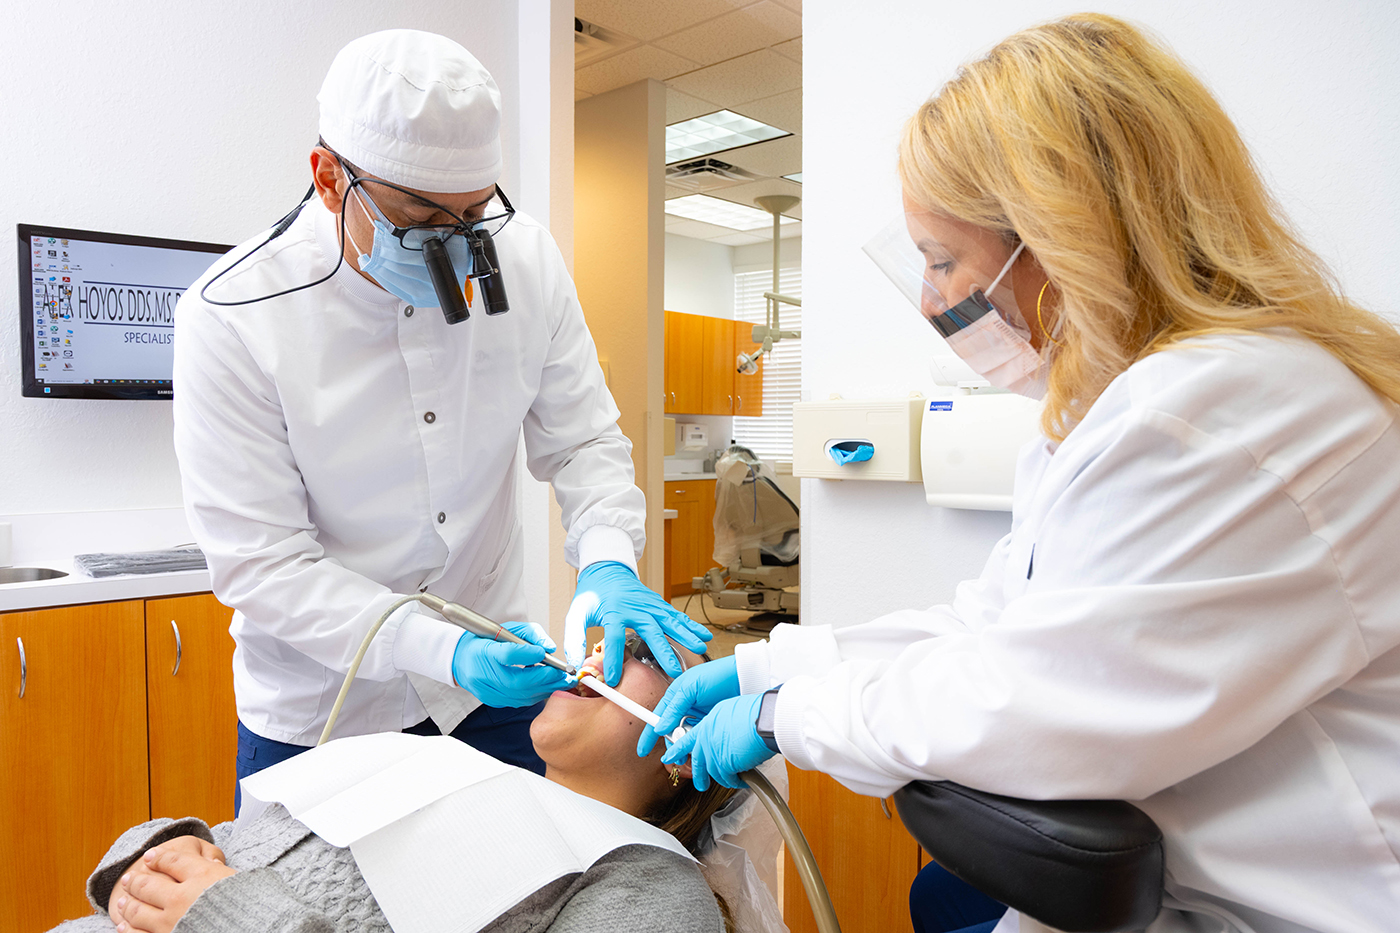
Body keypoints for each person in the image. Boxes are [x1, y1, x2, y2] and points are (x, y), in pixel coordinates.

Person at [644, 13, 1400, 933]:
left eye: (941, 260)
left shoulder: (1215, 410)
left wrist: (785, 718)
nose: (930, 300)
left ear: (1062, 234)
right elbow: (999, 626)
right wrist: (771, 662)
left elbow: (1041, 706)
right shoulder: (1111, 408)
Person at [173, 29, 708, 802]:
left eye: (474, 215)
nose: (458, 249)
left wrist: (607, 560)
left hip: (489, 696)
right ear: (328, 179)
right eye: (423, 221)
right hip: (324, 705)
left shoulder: (524, 258)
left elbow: (584, 439)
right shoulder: (232, 317)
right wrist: (443, 647)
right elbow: (264, 564)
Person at [55, 641, 738, 933]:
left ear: (688, 749)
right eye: (607, 640)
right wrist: (149, 859)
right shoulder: (444, 763)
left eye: (644, 655)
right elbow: (234, 844)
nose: (599, 653)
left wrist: (227, 914)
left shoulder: (649, 881)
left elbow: (229, 896)